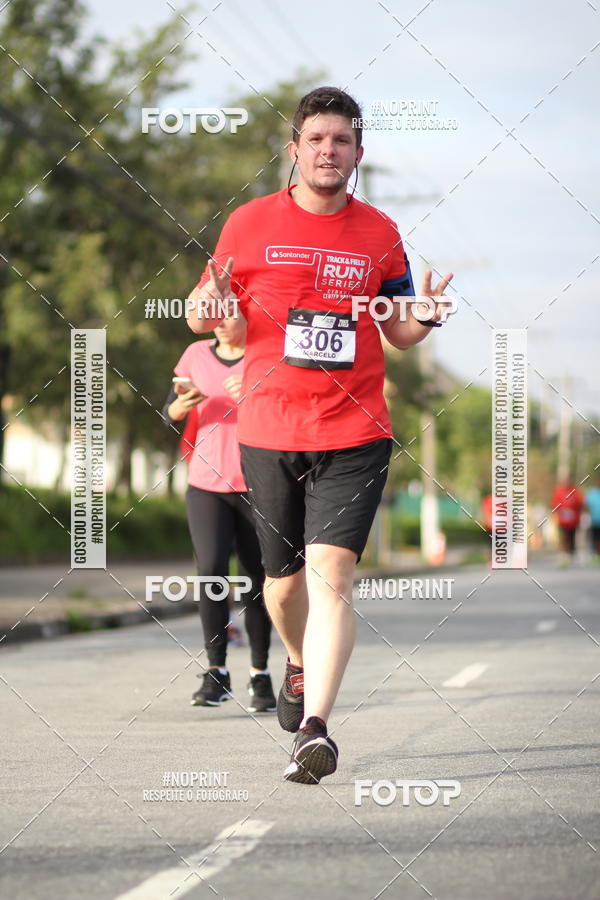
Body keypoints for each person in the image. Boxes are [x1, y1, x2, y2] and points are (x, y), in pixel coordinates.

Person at [186, 86, 452, 783]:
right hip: (269, 428)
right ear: (295, 150)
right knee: (282, 586)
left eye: (341, 141)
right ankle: (296, 660)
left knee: (333, 573)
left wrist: (426, 315)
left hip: (355, 428)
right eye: (317, 140)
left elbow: (397, 333)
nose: (328, 151)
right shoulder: (247, 224)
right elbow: (200, 312)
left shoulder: (378, 233)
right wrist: (206, 306)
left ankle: (316, 729)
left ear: (358, 153)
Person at [162, 314, 276, 712]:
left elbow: (285, 413)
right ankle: (216, 673)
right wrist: (180, 405)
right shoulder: (194, 354)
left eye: (231, 316)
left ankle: (260, 675)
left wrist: (253, 394)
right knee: (211, 572)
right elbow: (169, 412)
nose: (222, 324)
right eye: (216, 317)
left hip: (258, 485)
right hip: (206, 484)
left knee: (257, 578)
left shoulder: (265, 356)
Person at [551, 481, 584, 564]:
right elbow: (554, 504)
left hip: (574, 521)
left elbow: (581, 504)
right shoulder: (559, 491)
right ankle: (563, 556)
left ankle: (571, 554)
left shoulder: (576, 491)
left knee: (572, 537)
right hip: (562, 521)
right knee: (564, 538)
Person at [585, 477, 600, 559]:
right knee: (595, 538)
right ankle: (595, 554)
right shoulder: (592, 493)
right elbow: (586, 505)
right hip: (595, 521)